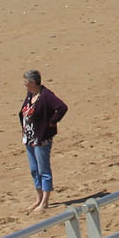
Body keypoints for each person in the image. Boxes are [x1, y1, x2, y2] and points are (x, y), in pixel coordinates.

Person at [19, 70, 68, 213]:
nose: (24, 84)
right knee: (34, 170)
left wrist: (52, 122)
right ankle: (38, 198)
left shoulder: (46, 95)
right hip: (29, 138)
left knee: (43, 169)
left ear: (32, 83)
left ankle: (45, 201)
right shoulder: (30, 95)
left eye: (26, 82)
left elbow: (62, 108)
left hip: (41, 138)